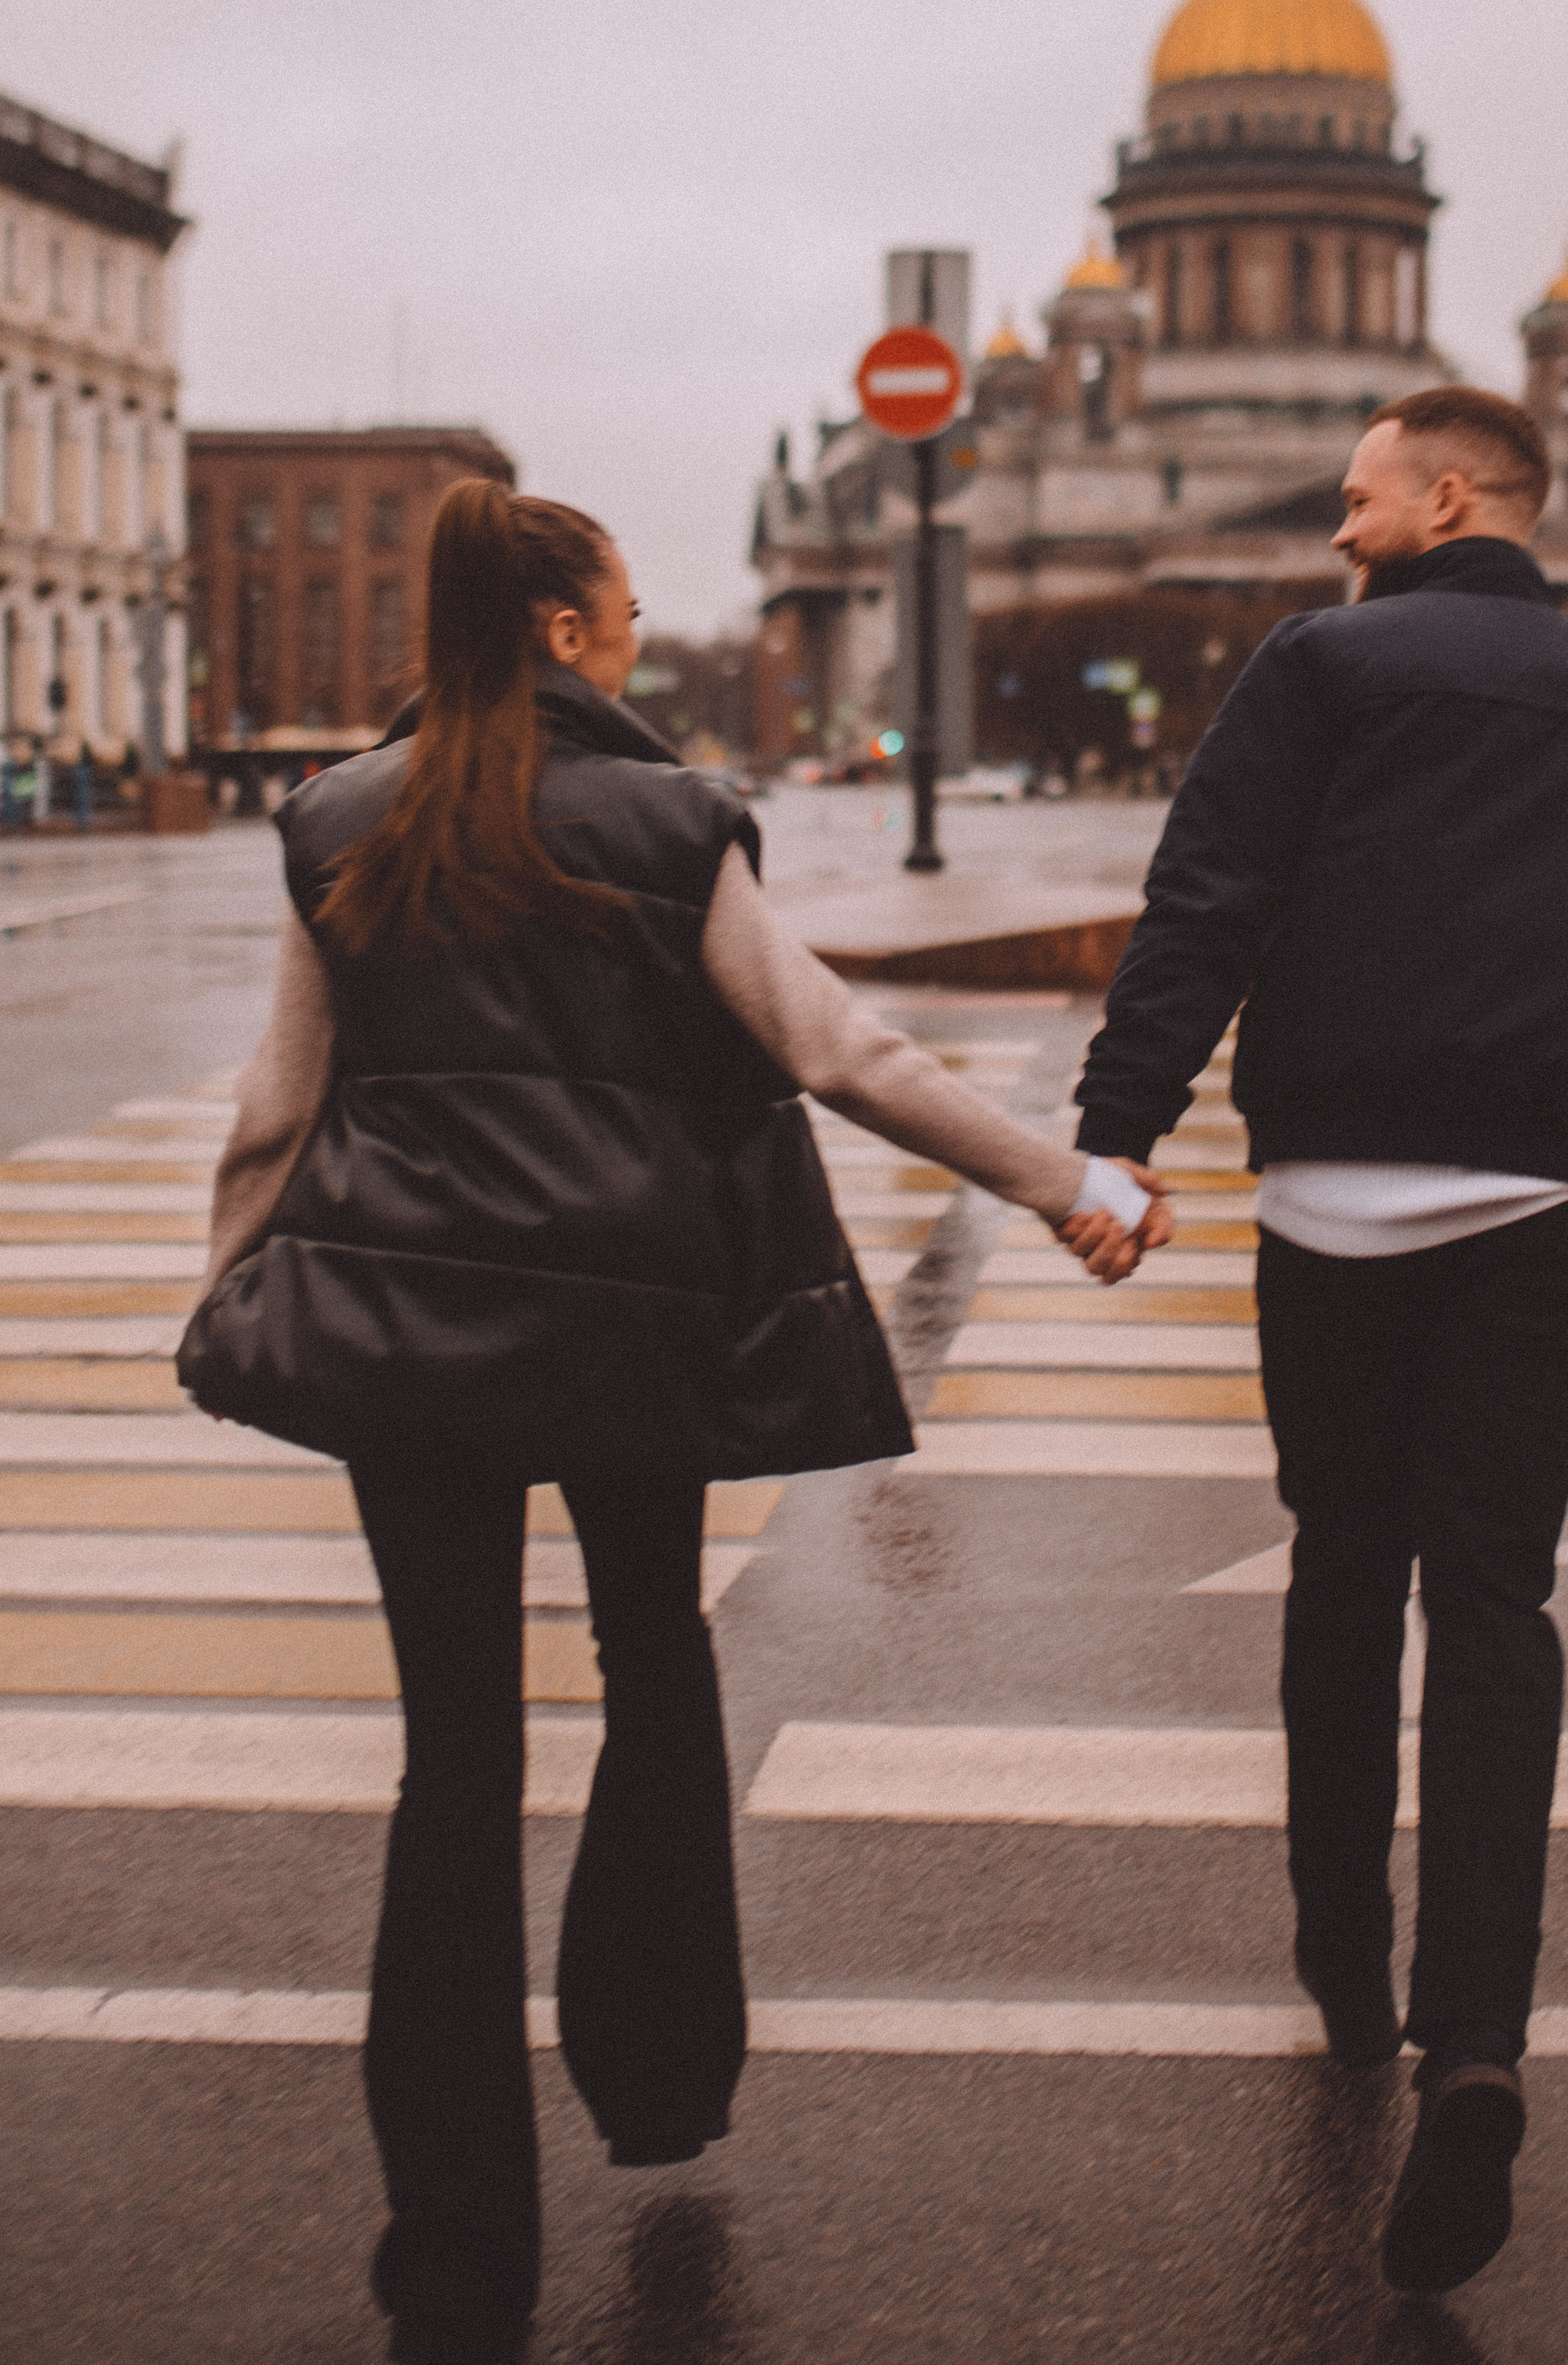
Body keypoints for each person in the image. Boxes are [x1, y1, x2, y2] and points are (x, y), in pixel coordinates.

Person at [186, 482, 1170, 2365]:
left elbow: (275, 1103)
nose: (639, 637)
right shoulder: (664, 819)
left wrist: (237, 1298)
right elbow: (833, 1051)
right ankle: (652, 2072)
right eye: (624, 611)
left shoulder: (335, 819)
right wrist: (1063, 1185)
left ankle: (456, 2247)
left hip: (404, 1345)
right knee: (652, 1658)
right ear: (561, 631)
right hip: (640, 1332)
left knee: (450, 1767)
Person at [1072, 385, 1568, 2297]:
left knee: (1343, 1568)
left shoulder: (1321, 668)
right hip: (1536, 1203)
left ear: (1448, 496)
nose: (1335, 521)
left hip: (1333, 1198)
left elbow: (1206, 904)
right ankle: (1473, 2047)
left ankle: (1340, 1957)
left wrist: (1116, 1132)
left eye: (1357, 494)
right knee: (1500, 1603)